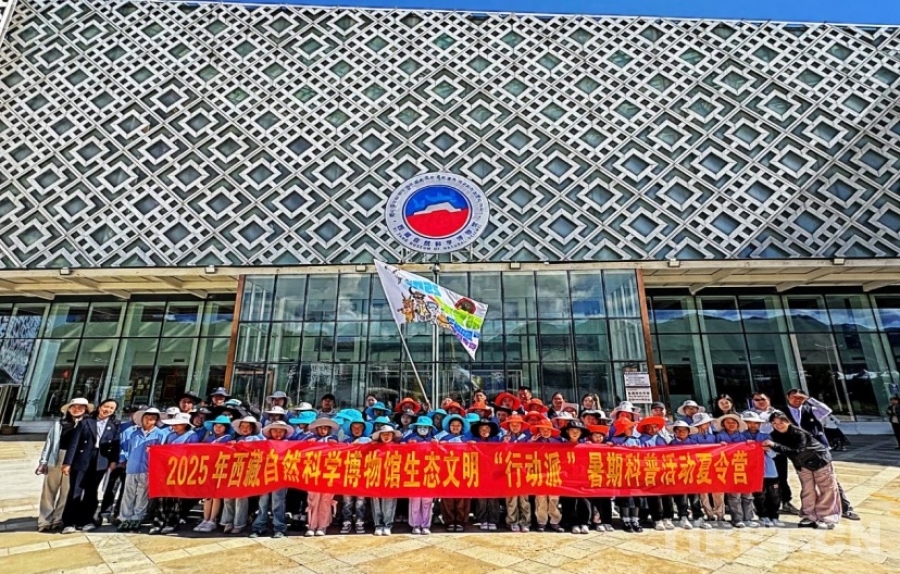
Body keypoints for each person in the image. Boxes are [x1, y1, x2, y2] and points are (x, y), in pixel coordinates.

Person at [782, 389, 859, 521]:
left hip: (817, 451)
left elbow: (826, 410)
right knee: (807, 484)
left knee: (829, 481)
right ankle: (809, 512)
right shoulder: (781, 413)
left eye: (800, 397)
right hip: (798, 453)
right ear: (787, 397)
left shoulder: (811, 410)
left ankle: (845, 508)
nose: (797, 400)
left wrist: (810, 399)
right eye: (794, 397)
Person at [764, 410, 841, 529]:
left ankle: (828, 516)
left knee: (827, 488)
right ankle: (808, 515)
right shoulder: (774, 435)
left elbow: (798, 451)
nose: (778, 425)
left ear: (788, 421)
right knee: (807, 490)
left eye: (781, 422)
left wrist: (774, 445)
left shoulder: (799, 433)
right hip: (802, 465)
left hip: (820, 460)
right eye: (774, 423)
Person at [60, 398, 120, 534]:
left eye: (111, 408)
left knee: (91, 492)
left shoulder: (114, 426)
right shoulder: (86, 422)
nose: (108, 410)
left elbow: (115, 445)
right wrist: (68, 462)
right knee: (75, 491)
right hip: (82, 458)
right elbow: (74, 443)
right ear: (99, 407)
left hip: (100, 460)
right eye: (106, 406)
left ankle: (86, 520)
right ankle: (69, 522)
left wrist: (113, 461)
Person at [36, 397, 91, 532]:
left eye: (80, 407)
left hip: (75, 460)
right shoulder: (59, 424)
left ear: (86, 410)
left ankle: (59, 519)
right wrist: (43, 462)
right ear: (69, 409)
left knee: (67, 491)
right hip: (57, 456)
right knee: (49, 491)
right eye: (74, 407)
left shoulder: (88, 425)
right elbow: (49, 444)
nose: (77, 409)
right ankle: (44, 520)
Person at [117, 407, 165, 532]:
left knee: (143, 494)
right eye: (147, 418)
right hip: (131, 467)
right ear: (142, 419)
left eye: (152, 418)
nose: (149, 420)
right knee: (128, 493)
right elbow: (125, 447)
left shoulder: (160, 434)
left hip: (147, 468)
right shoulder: (133, 433)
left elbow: (162, 452)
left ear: (156, 420)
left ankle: (137, 518)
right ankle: (124, 518)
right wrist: (123, 459)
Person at [150, 413, 199, 535]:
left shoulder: (192, 436)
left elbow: (192, 453)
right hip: (167, 469)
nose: (175, 426)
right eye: (174, 424)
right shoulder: (170, 435)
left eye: (178, 424)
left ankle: (172, 522)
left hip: (180, 470)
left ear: (185, 424)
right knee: (162, 496)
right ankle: (159, 521)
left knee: (175, 498)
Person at [251, 420, 293, 538]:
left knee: (278, 501)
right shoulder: (264, 443)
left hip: (280, 477)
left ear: (285, 432)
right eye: (275, 430)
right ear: (270, 432)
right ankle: (259, 526)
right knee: (263, 501)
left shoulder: (289, 444)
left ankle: (279, 527)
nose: (278, 433)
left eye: (281, 431)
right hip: (265, 476)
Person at [222, 416, 263, 535]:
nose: (245, 429)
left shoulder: (256, 439)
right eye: (243, 426)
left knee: (241, 497)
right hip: (233, 470)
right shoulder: (235, 439)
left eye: (248, 427)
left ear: (253, 428)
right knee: (228, 496)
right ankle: (227, 521)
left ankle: (239, 523)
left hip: (247, 471)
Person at [741, 411, 783, 527]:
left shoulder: (766, 437)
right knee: (759, 495)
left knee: (774, 495)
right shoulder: (742, 437)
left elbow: (774, 455)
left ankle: (774, 516)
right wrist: (746, 446)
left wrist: (767, 449)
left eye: (756, 423)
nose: (753, 425)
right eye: (749, 422)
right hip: (753, 471)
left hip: (770, 470)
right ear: (745, 423)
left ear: (759, 424)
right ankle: (762, 515)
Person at [194, 415, 233, 532]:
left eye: (221, 426)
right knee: (207, 496)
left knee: (216, 496)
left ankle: (212, 520)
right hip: (209, 469)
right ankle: (205, 519)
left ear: (226, 428)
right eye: (216, 425)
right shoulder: (209, 439)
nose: (218, 428)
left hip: (221, 469)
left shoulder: (229, 439)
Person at [304, 417, 339, 536]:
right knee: (313, 500)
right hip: (314, 473)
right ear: (316, 429)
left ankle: (322, 526)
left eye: (325, 428)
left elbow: (339, 449)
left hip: (329, 474)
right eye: (320, 428)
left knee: (326, 500)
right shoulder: (310, 439)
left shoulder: (333, 439)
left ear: (329, 429)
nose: (323, 430)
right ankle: (311, 525)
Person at [609, 419, 644, 533]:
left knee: (636, 497)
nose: (632, 429)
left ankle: (635, 519)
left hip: (635, 473)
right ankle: (625, 519)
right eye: (630, 428)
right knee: (625, 497)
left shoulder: (636, 440)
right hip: (622, 473)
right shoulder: (614, 441)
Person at [530, 417, 564, 532]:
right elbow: (525, 453)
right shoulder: (533, 442)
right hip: (539, 474)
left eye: (547, 429)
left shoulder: (557, 442)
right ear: (539, 431)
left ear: (551, 431)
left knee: (554, 499)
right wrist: (531, 442)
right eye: (542, 429)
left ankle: (555, 521)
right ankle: (541, 522)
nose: (545, 432)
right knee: (541, 499)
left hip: (554, 474)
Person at [339, 417, 372, 534]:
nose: (357, 430)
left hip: (362, 475)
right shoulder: (345, 441)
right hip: (348, 474)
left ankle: (359, 521)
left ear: (363, 429)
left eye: (360, 427)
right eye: (354, 427)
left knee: (360, 501)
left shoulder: (368, 441)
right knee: (347, 500)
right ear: (350, 429)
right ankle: (346, 521)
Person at [403, 416, 435, 535]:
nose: (422, 429)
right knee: (415, 500)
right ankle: (415, 525)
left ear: (430, 429)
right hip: (414, 473)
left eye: (425, 427)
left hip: (429, 472)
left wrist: (437, 446)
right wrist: (407, 444)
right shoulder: (410, 438)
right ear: (416, 428)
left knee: (427, 500)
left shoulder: (433, 440)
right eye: (420, 427)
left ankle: (426, 525)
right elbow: (400, 446)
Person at [559, 418, 591, 534]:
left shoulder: (587, 446)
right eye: (572, 430)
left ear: (581, 432)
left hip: (582, 478)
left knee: (584, 500)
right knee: (568, 501)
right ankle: (572, 523)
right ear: (567, 431)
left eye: (577, 430)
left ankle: (584, 522)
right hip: (567, 478)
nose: (575, 432)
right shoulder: (560, 446)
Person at [500, 414, 531, 532]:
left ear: (521, 426)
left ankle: (525, 522)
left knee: (524, 499)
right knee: (511, 499)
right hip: (509, 472)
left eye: (517, 424)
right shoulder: (504, 438)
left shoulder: (527, 438)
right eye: (512, 425)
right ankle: (512, 521)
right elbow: (499, 455)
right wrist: (504, 445)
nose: (515, 427)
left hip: (524, 472)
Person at [469, 419, 502, 531]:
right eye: (482, 428)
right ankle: (482, 520)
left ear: (491, 430)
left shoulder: (497, 440)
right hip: (480, 473)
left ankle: (493, 520)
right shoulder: (473, 441)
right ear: (478, 431)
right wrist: (470, 446)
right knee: (481, 499)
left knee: (493, 498)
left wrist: (506, 443)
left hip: (494, 473)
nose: (484, 430)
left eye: (487, 428)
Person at [439, 414, 471, 531]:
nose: (455, 427)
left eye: (458, 425)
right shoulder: (442, 438)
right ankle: (449, 520)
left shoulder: (467, 439)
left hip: (462, 471)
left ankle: (461, 521)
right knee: (447, 497)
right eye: (453, 425)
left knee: (462, 497)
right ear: (449, 426)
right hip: (447, 471)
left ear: (462, 427)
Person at [371, 423, 401, 536]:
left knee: (389, 502)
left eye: (389, 434)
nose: (386, 436)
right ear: (380, 436)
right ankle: (378, 524)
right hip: (376, 477)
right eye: (383, 434)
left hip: (391, 477)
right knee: (376, 501)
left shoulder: (398, 447)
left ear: (393, 436)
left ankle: (388, 524)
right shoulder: (374, 447)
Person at [585, 424, 614, 532]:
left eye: (600, 436)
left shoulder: (608, 446)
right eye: (596, 436)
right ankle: (596, 521)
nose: (598, 438)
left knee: (606, 499)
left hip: (605, 477)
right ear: (591, 436)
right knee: (594, 500)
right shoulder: (586, 445)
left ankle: (607, 521)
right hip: (591, 476)